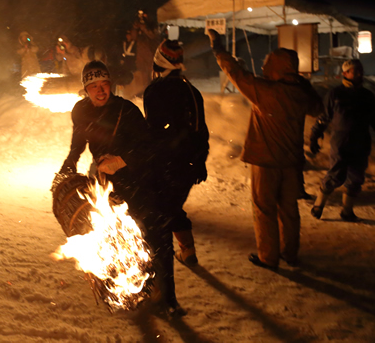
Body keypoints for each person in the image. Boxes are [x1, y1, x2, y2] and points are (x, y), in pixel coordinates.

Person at [59, 60, 185, 317]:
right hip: (107, 185)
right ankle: (131, 289)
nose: (100, 90)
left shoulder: (126, 110)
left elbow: (147, 146)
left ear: (111, 85)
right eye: (93, 86)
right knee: (116, 239)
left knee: (156, 234)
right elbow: (78, 142)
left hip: (139, 179)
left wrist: (120, 160)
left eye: (104, 84)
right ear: (86, 89)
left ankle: (169, 297)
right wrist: (69, 164)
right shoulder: (80, 111)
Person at [207, 29, 323, 270]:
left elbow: (236, 73)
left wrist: (218, 48)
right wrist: (300, 81)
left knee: (264, 209)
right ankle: (290, 253)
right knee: (289, 210)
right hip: (291, 162)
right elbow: (317, 107)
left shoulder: (267, 92)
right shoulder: (300, 93)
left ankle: (268, 257)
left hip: (265, 162)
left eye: (268, 64)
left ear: (278, 67)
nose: (263, 68)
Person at [143, 40, 209, 268]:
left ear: (158, 64)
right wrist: (200, 161)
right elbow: (200, 129)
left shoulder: (154, 91)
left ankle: (159, 264)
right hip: (187, 163)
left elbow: (153, 130)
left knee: (160, 210)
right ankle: (187, 251)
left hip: (163, 163)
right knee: (171, 206)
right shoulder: (192, 91)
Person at [309, 59, 375, 222]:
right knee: (336, 175)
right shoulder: (335, 94)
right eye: (356, 71)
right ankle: (318, 205)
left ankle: (347, 211)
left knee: (356, 176)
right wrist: (314, 136)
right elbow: (324, 118)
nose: (360, 73)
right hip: (341, 141)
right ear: (345, 73)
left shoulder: (367, 96)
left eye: (361, 70)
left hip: (361, 141)